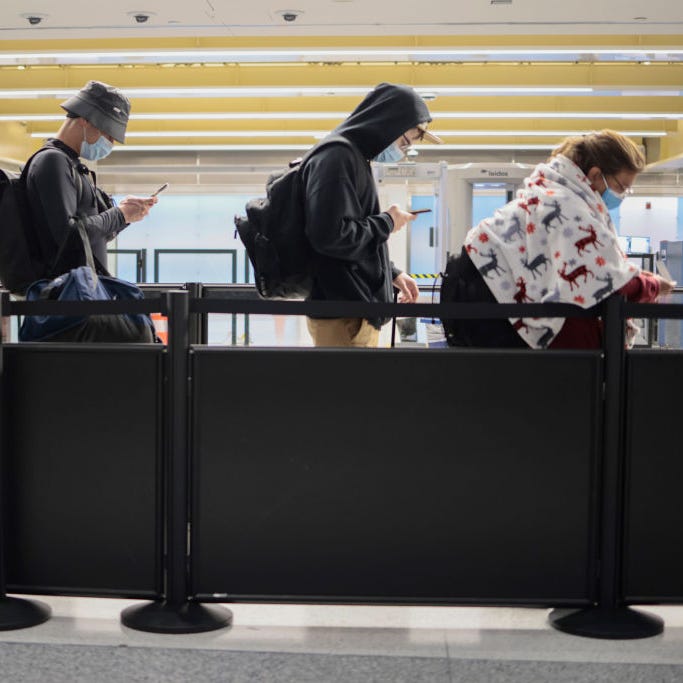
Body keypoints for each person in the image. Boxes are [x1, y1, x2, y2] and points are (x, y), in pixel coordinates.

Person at [440, 130, 676, 349]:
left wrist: (635, 277)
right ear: (595, 175)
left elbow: (596, 266)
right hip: (486, 299)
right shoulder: (568, 204)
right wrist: (652, 286)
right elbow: (605, 279)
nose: (622, 195)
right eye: (621, 187)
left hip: (477, 289)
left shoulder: (554, 190)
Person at [302, 82, 443, 347]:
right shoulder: (337, 157)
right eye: (404, 141)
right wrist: (388, 221)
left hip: (352, 311)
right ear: (386, 124)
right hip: (343, 315)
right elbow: (331, 236)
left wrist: (389, 273)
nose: (403, 151)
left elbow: (352, 235)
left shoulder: (354, 158)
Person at [25, 80, 156, 286]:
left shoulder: (73, 166)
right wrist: (119, 214)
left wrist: (125, 217)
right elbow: (70, 236)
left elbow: (90, 239)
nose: (110, 144)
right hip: (65, 301)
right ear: (86, 119)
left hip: (81, 294)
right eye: (108, 134)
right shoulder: (52, 162)